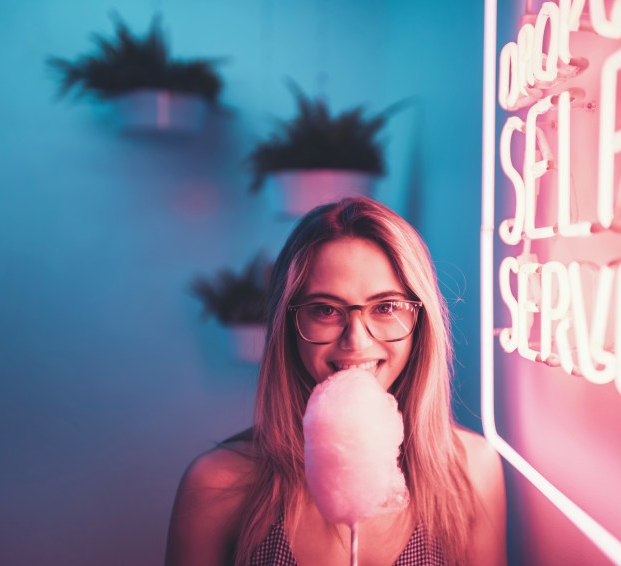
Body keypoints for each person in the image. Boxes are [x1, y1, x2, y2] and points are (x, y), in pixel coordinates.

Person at [165, 197, 507, 565]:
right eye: (326, 310)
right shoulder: (216, 485)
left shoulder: (472, 470)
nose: (356, 341)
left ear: (420, 322)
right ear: (288, 326)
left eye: (386, 306)